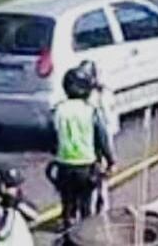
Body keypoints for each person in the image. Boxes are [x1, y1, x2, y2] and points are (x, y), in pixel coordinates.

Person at [49, 66, 117, 233]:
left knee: (67, 205)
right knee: (86, 207)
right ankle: (85, 236)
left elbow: (51, 136)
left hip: (64, 166)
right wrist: (111, 161)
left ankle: (68, 231)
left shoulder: (58, 110)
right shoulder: (90, 111)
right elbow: (102, 138)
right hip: (86, 167)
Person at [74, 60, 119, 213]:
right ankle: (95, 209)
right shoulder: (95, 96)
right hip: (94, 141)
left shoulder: (101, 97)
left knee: (99, 181)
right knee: (95, 181)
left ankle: (98, 210)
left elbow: (105, 126)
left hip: (97, 141)